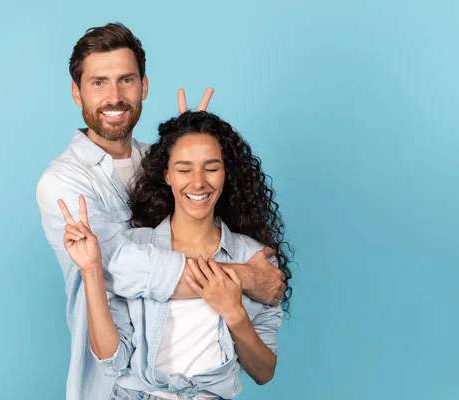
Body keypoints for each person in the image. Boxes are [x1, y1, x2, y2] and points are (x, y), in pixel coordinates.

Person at [36, 23, 288, 400]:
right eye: (98, 83)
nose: (115, 96)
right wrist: (246, 278)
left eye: (126, 80)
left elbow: (195, 191)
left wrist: (192, 141)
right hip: (110, 386)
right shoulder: (62, 182)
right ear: (77, 92)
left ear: (144, 86)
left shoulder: (155, 162)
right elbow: (120, 266)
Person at [58, 111, 292, 399]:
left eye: (211, 167)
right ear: (166, 175)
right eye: (184, 168)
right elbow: (113, 360)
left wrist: (235, 314)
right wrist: (92, 269)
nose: (198, 182)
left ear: (226, 173)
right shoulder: (136, 250)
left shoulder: (256, 258)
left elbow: (264, 372)